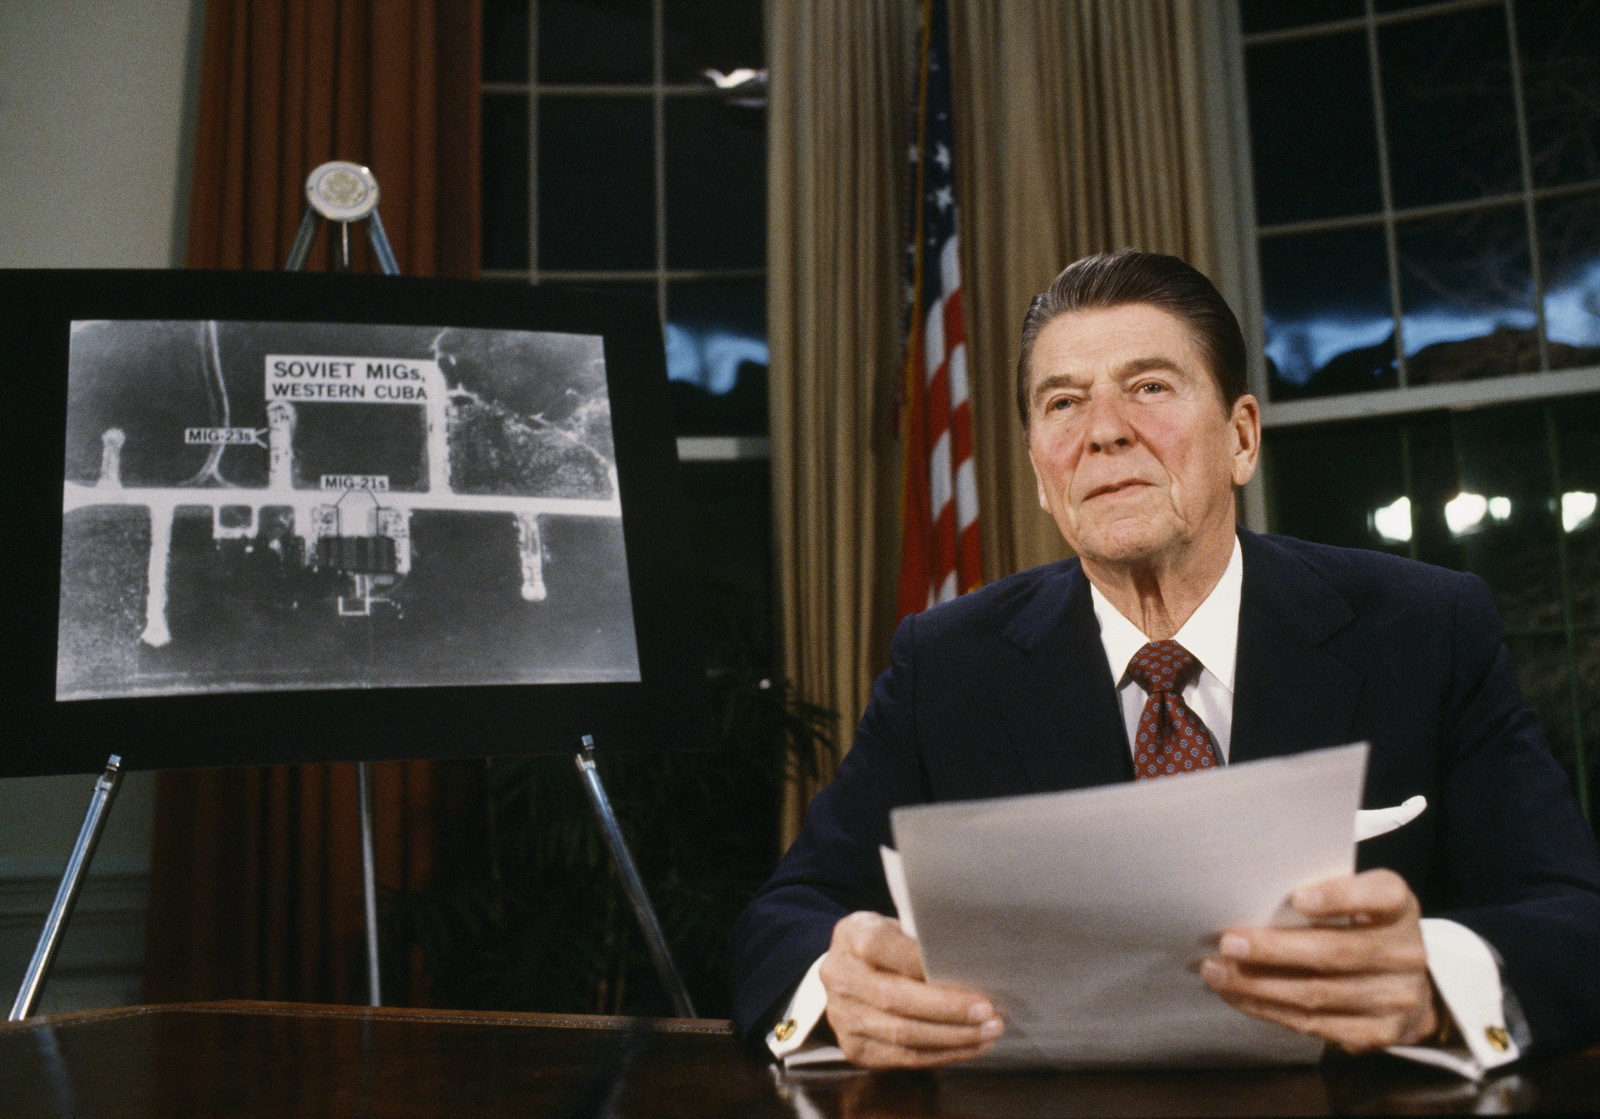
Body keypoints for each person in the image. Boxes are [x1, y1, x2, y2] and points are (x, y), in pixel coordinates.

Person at [728, 250, 1600, 1073]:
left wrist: (1433, 978)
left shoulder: (1424, 628)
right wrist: (838, 982)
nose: (1104, 431)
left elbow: (1574, 916)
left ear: (1242, 437)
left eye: (1149, 386)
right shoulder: (946, 664)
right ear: (1039, 469)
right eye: (1063, 403)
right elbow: (784, 918)